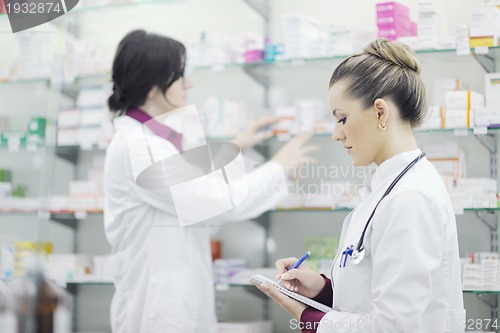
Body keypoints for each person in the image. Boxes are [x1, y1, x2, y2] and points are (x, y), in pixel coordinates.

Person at [103, 30, 318, 333]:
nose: (188, 83)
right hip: (158, 309)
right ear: (152, 86)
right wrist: (278, 167)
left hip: (173, 298)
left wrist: (237, 147)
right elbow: (214, 202)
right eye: (180, 75)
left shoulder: (151, 141)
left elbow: (192, 192)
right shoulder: (139, 146)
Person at [253, 38, 466, 333]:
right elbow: (372, 292)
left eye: (342, 118)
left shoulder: (410, 197)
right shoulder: (387, 187)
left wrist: (306, 317)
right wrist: (322, 290)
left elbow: (393, 326)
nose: (335, 135)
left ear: (380, 112)